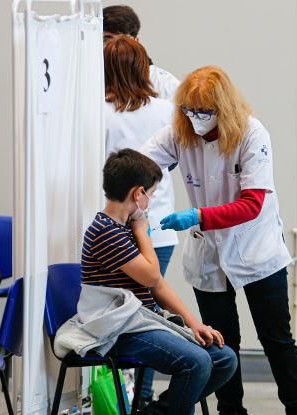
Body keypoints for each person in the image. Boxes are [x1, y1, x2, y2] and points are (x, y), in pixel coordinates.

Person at [141, 66, 297, 415]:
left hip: (255, 248)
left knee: (276, 339)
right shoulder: (180, 131)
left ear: (224, 108)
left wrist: (198, 215)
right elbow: (141, 162)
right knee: (222, 342)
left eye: (203, 112)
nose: (195, 119)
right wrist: (129, 188)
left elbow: (252, 204)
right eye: (189, 111)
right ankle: (230, 410)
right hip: (207, 252)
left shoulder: (252, 134)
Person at [82, 149, 237, 415]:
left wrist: (194, 323)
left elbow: (158, 287)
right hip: (119, 329)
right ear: (137, 194)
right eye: (151, 194)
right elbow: (153, 276)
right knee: (196, 362)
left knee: (224, 359)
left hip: (143, 321)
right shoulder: (105, 231)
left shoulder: (125, 227)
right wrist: (143, 231)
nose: (151, 201)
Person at [103, 34, 178, 407]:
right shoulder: (166, 111)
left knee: (111, 314)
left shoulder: (98, 112)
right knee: (152, 316)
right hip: (158, 226)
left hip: (113, 229)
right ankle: (143, 401)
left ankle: (115, 395)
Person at [103, 5, 180, 100]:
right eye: (106, 39)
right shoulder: (87, 78)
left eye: (121, 39)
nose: (113, 46)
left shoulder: (166, 85)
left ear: (136, 42)